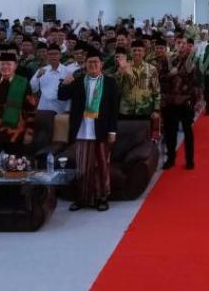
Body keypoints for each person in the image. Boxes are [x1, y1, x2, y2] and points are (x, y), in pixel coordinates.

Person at [58, 49, 119, 211]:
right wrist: (64, 83)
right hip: (82, 131)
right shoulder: (78, 81)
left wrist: (112, 131)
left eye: (96, 62)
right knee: (82, 167)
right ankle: (83, 198)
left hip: (102, 131)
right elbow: (62, 96)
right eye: (90, 62)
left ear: (101, 64)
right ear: (85, 64)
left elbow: (114, 109)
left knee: (101, 166)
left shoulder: (110, 82)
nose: (93, 65)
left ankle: (102, 198)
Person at [159, 37, 203, 170]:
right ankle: (171, 159)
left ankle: (189, 160)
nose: (181, 45)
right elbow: (159, 78)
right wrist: (169, 75)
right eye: (179, 43)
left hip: (186, 101)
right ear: (175, 45)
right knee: (170, 132)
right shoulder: (167, 60)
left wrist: (198, 100)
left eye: (184, 43)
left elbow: (197, 82)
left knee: (188, 131)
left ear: (188, 45)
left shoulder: (193, 62)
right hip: (169, 101)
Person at [115, 40, 161, 122]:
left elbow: (156, 90)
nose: (136, 53)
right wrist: (120, 71)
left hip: (145, 110)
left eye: (139, 50)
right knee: (126, 130)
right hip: (126, 110)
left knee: (144, 131)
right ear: (130, 52)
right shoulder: (124, 66)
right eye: (134, 50)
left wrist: (156, 109)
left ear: (144, 53)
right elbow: (117, 86)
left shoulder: (151, 69)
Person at [30, 44, 71, 113]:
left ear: (60, 55)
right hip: (44, 107)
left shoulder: (67, 71)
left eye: (56, 54)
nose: (53, 56)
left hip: (61, 108)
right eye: (50, 54)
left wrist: (67, 110)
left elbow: (70, 92)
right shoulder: (42, 70)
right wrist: (37, 77)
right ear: (47, 56)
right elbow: (33, 88)